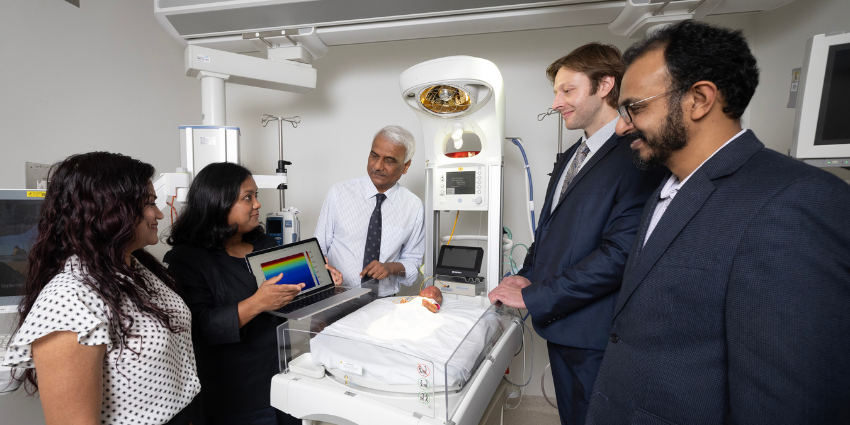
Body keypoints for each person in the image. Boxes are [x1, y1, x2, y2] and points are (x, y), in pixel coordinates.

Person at [585, 20, 850, 425]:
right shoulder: (666, 188)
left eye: (635, 108)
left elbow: (788, 404)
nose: (622, 125)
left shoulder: (792, 201)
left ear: (699, 98)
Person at [488, 43, 664, 425]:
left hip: (596, 335)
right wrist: (528, 273)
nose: (556, 103)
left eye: (568, 91)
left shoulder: (634, 158)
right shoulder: (571, 156)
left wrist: (536, 295)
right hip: (562, 328)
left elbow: (618, 255)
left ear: (605, 86)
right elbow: (550, 229)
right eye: (556, 92)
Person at [1, 152, 200, 425]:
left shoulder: (137, 267)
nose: (159, 213)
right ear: (110, 210)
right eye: (149, 203)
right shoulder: (68, 300)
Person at [164, 162, 304, 425]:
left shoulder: (264, 243)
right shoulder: (188, 260)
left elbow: (287, 290)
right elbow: (198, 327)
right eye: (247, 197)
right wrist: (256, 303)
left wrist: (320, 278)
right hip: (237, 392)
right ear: (219, 203)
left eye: (256, 196)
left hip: (283, 375)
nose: (257, 204)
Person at [315, 125, 425, 297]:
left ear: (406, 166)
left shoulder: (414, 206)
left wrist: (390, 267)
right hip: (333, 298)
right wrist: (325, 270)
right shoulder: (339, 193)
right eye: (374, 156)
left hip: (383, 305)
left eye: (389, 160)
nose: (378, 166)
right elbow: (318, 249)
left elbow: (413, 262)